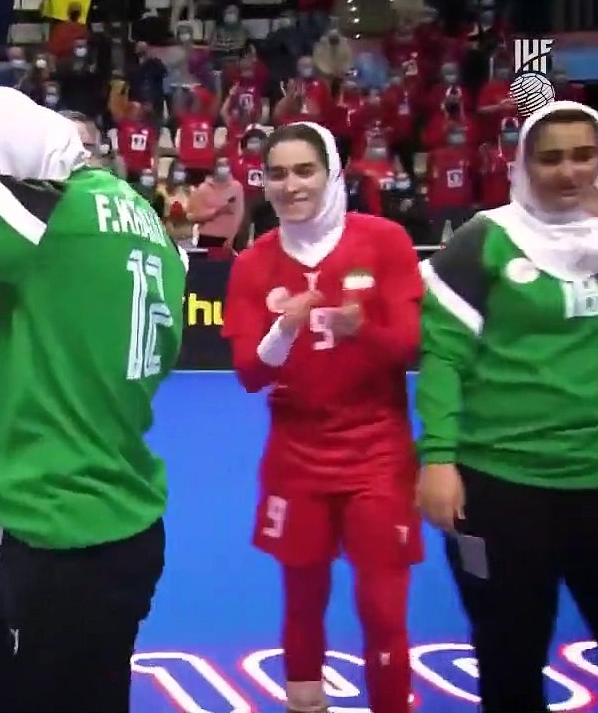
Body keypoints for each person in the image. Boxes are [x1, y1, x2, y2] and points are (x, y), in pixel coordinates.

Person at [0, 86, 181, 713]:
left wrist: (0, 192)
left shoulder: (57, 216)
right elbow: (90, 349)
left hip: (64, 530)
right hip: (116, 513)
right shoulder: (137, 213)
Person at [220, 122, 422, 713]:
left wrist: (365, 330)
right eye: (277, 173)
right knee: (302, 600)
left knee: (383, 608)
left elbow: (411, 347)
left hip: (377, 454)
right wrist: (284, 329)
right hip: (296, 457)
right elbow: (250, 375)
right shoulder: (253, 263)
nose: (290, 185)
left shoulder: (384, 241)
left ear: (332, 172)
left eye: (304, 170)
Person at [416, 101, 598, 713]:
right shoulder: (483, 241)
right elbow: (442, 359)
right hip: (500, 484)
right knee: (509, 652)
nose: (568, 171)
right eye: (551, 158)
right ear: (522, 163)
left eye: (584, 155)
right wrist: (438, 458)